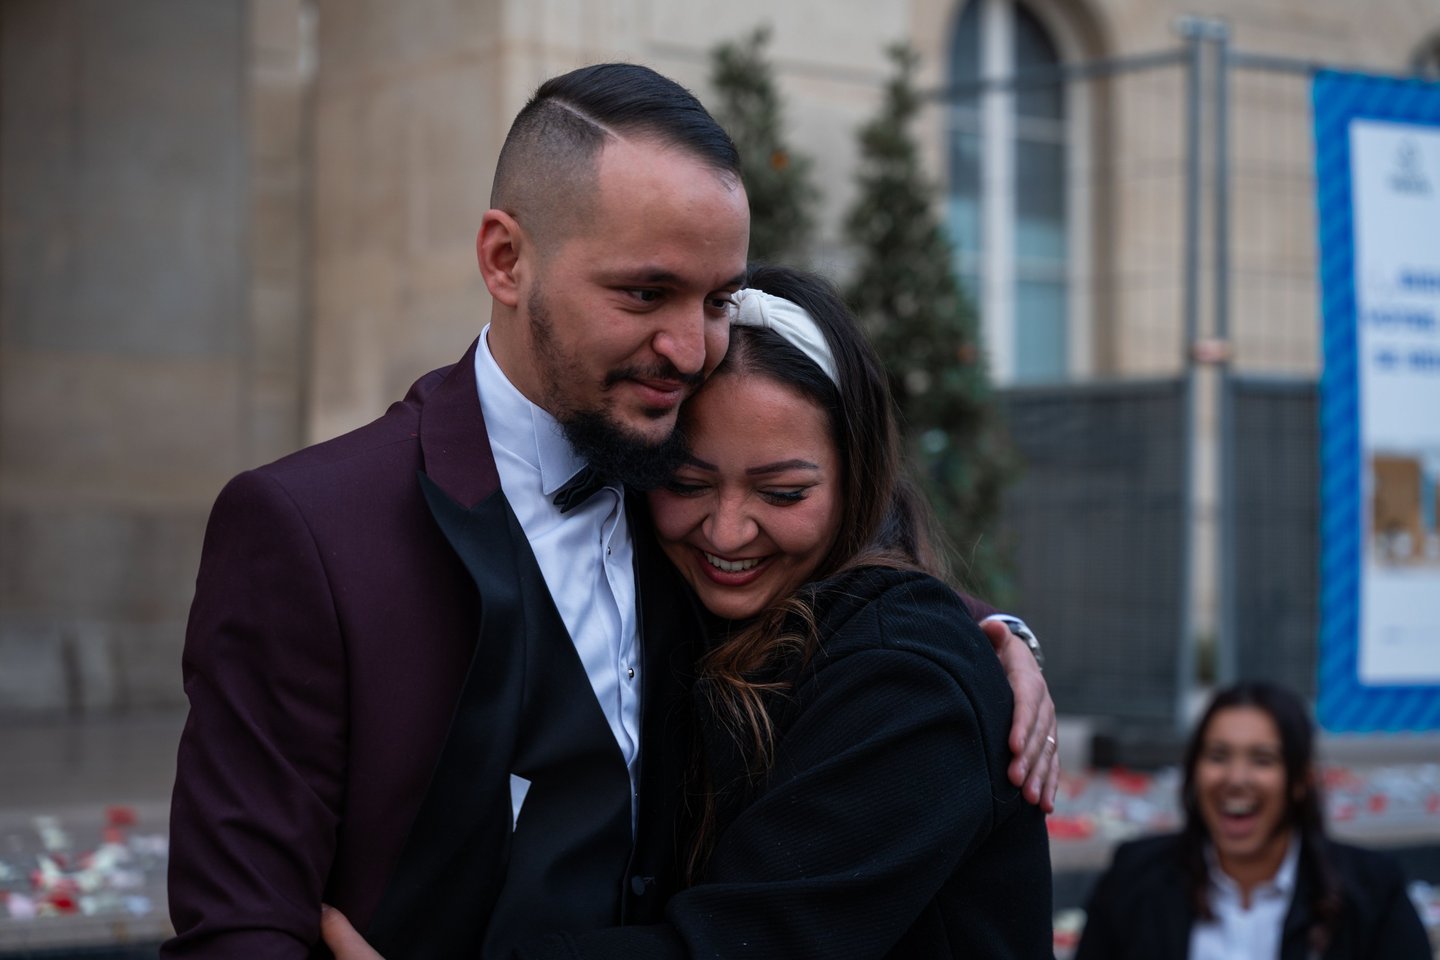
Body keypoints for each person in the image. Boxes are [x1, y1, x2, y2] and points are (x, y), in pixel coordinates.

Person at [165, 64, 1057, 959]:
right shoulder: (308, 527)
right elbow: (242, 923)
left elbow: (834, 570)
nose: (691, 349)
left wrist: (982, 641)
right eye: (644, 293)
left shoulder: (679, 463)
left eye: (717, 300)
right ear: (505, 260)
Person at [322, 266, 1054, 959]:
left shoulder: (909, 683)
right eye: (687, 483)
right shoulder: (672, 594)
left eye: (783, 493)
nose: (727, 533)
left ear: (856, 481)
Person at [1074, 681, 1430, 959]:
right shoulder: (1134, 878)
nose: (1236, 778)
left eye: (1262, 760)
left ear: (1300, 781)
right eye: (1218, 756)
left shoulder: (1372, 893)